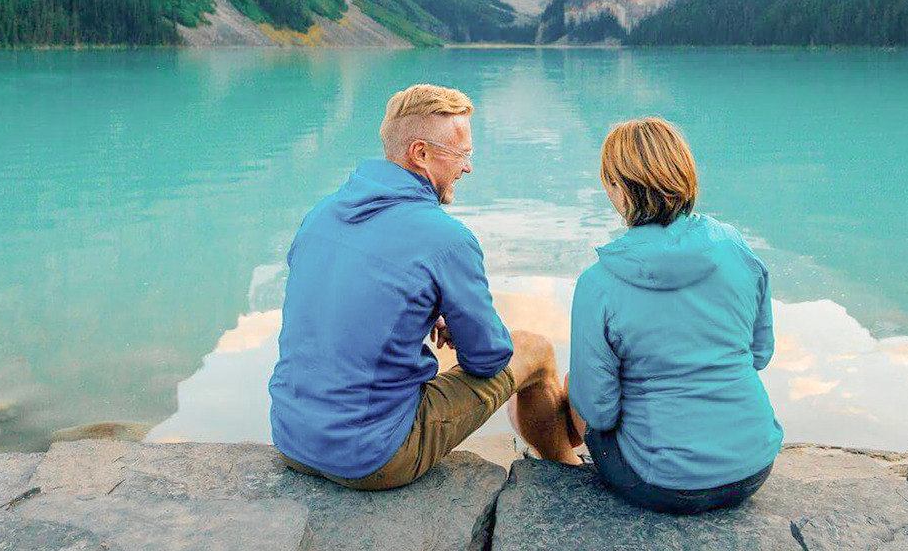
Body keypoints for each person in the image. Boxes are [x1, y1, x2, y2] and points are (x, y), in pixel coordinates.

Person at [269, 83, 581, 490]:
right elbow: (487, 360)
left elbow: (338, 304)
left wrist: (423, 308)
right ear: (420, 153)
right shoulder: (446, 239)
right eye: (462, 154)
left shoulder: (320, 214)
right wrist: (460, 324)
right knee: (534, 350)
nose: (467, 168)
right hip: (371, 458)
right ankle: (566, 468)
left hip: (291, 439)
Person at [568, 117, 784, 514]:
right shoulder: (735, 247)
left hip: (663, 483)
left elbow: (598, 411)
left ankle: (560, 469)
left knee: (574, 382)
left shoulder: (598, 284)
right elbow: (759, 354)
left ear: (617, 188)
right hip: (754, 467)